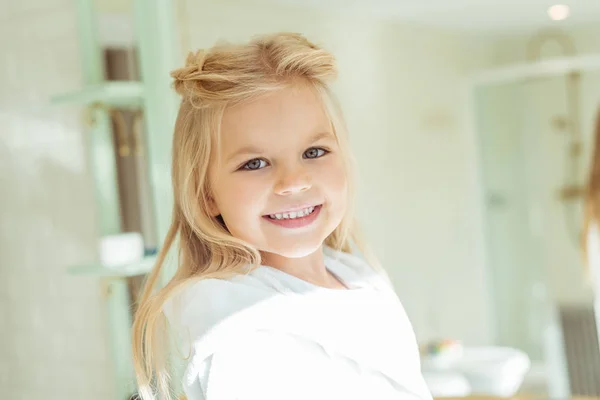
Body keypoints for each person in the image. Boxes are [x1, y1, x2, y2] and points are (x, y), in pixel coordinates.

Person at [132, 32, 432, 400]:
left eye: (314, 152)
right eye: (254, 163)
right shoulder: (242, 334)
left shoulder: (355, 274)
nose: (293, 182)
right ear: (207, 195)